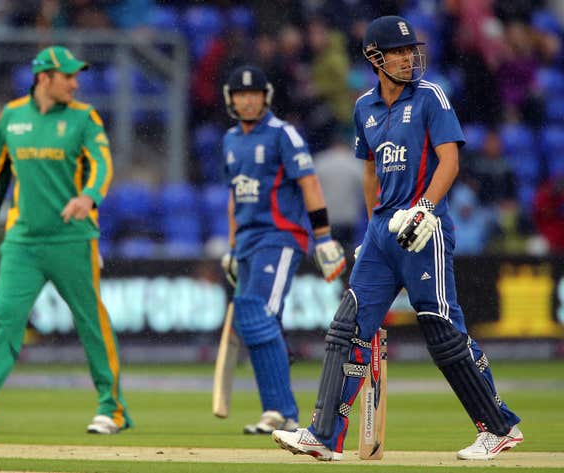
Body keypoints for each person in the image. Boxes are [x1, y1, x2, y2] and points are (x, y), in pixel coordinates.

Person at [272, 15, 522, 461]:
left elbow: (449, 162)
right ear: (375, 58)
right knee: (348, 326)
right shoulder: (364, 106)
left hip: (425, 231)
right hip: (383, 234)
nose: (409, 58)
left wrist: (425, 207)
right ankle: (323, 435)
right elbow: (369, 169)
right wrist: (371, 229)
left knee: (442, 330)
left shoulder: (430, 97)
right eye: (399, 52)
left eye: (411, 51)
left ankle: (498, 427)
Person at [0, 46, 132, 435]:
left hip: (72, 240)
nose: (76, 83)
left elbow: (102, 165)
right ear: (44, 78)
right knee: (3, 322)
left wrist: (88, 196)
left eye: (76, 76)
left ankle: (113, 410)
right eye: (68, 76)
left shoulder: (84, 118)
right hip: (22, 241)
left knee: (91, 322)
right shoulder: (12, 115)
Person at [220, 65, 347, 434]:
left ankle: (284, 411)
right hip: (246, 242)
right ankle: (275, 411)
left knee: (256, 313)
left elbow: (309, 183)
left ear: (266, 97)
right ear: (231, 100)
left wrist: (323, 237)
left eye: (254, 93)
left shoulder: (283, 134)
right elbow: (234, 196)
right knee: (261, 323)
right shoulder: (229, 140)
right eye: (241, 94)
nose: (247, 100)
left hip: (280, 237)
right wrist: (231, 247)